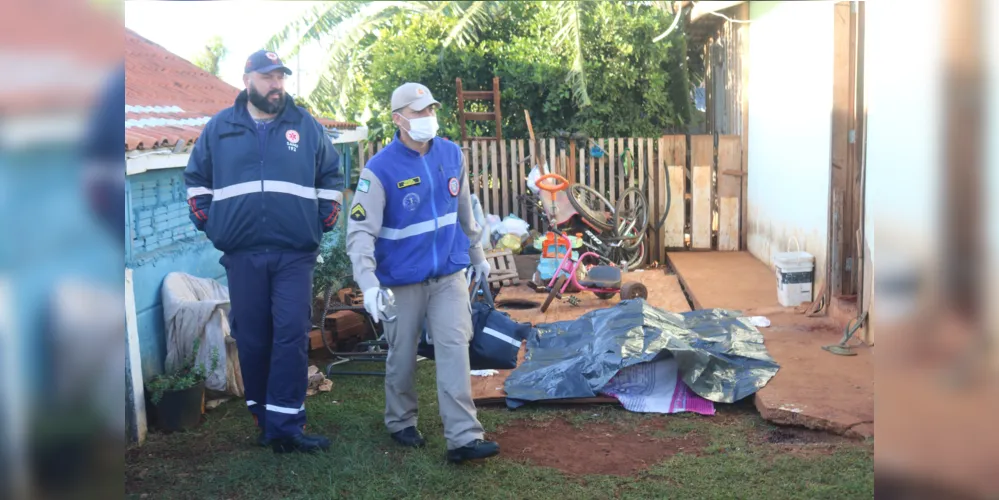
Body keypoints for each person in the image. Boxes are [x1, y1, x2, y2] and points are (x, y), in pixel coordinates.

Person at [184, 49, 344, 454]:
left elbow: (331, 174)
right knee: (252, 338)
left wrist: (323, 220)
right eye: (268, 77)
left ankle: (288, 426)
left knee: (290, 335)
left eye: (281, 77)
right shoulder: (220, 128)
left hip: (294, 253)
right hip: (242, 254)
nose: (277, 85)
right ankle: (264, 419)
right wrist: (211, 222)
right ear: (247, 79)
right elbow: (196, 180)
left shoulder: (304, 125)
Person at [346, 82, 500, 463]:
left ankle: (463, 437)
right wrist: (368, 284)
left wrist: (477, 254)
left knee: (454, 349)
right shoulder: (379, 169)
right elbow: (360, 232)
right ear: (398, 119)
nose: (427, 118)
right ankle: (401, 421)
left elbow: (465, 211)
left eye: (430, 110)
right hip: (400, 281)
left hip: (448, 276)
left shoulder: (451, 155)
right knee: (402, 356)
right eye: (418, 112)